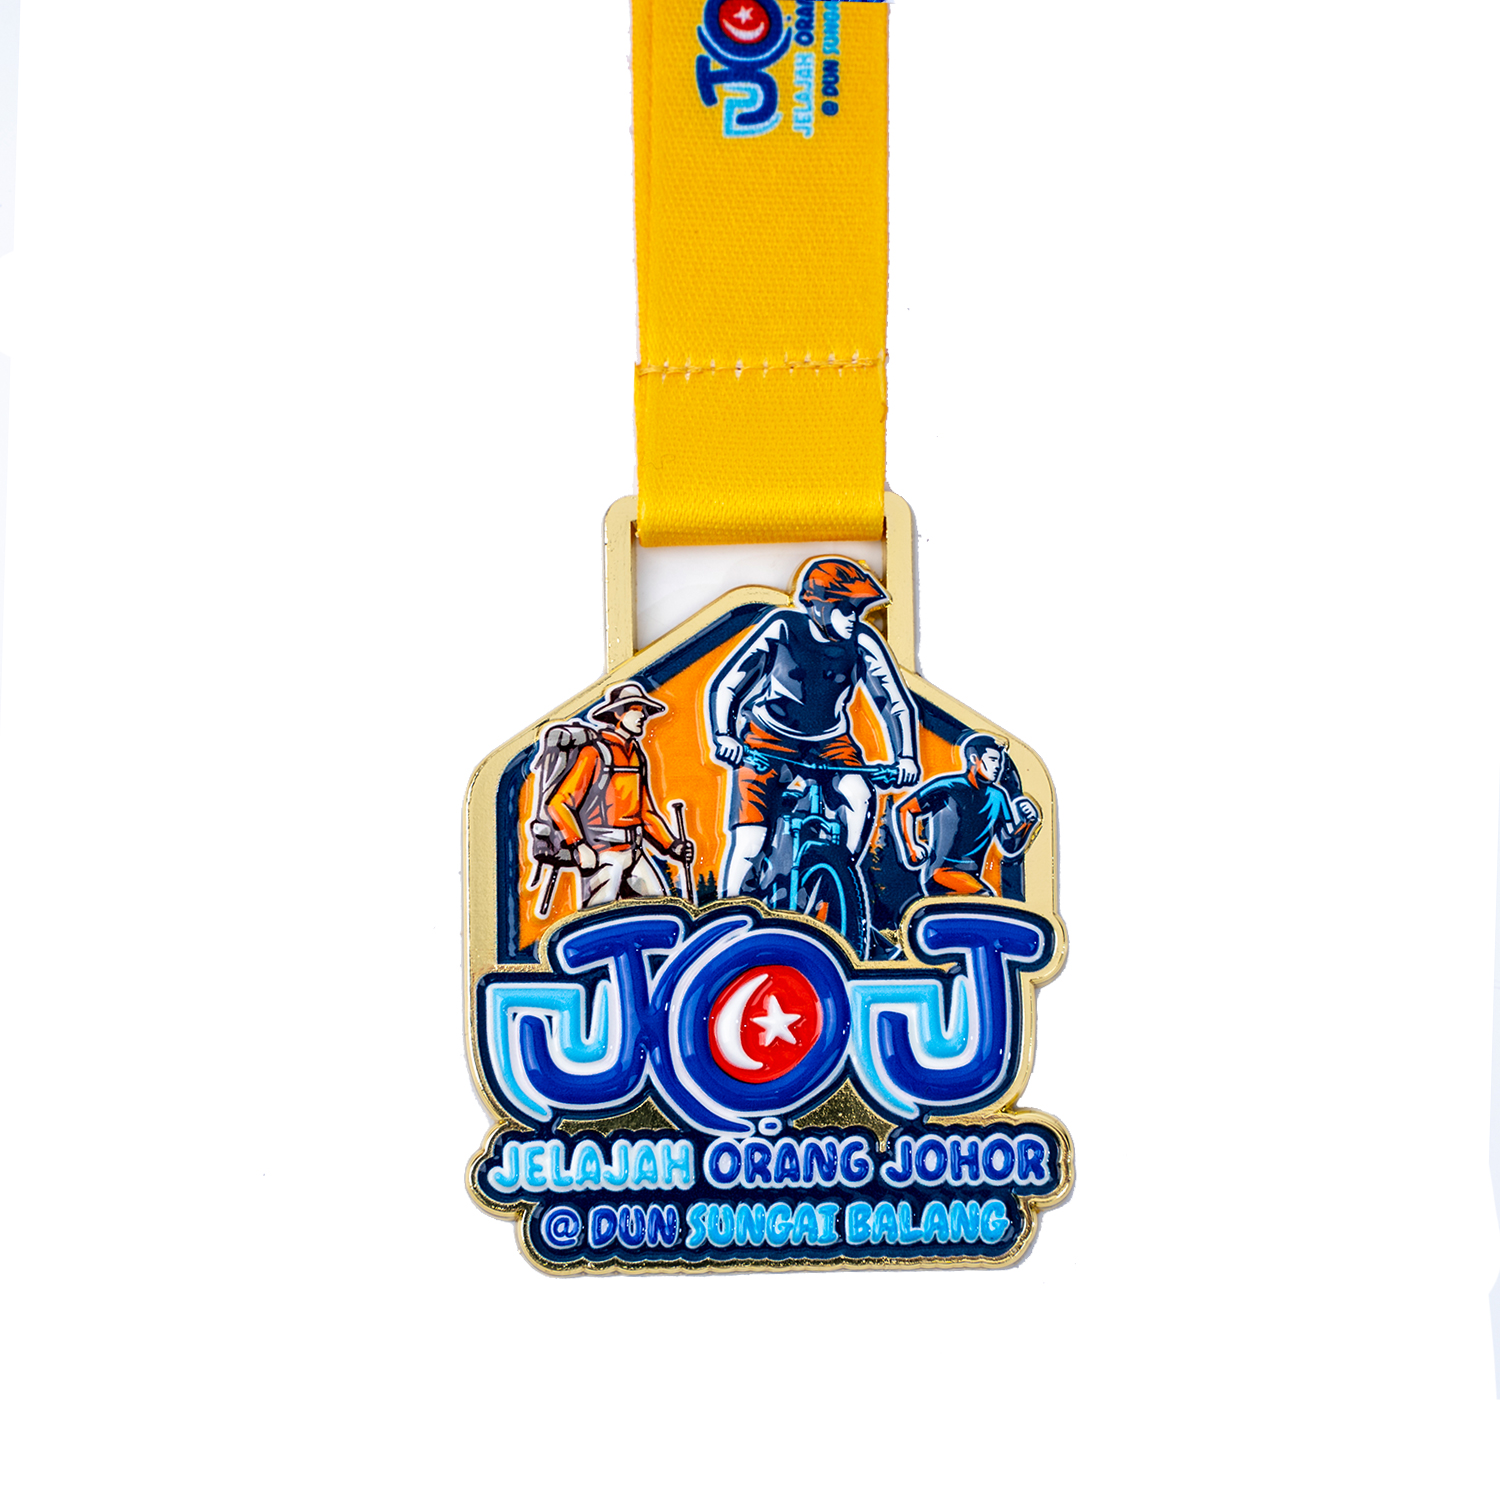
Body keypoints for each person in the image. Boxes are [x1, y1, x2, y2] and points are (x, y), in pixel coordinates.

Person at [707, 557, 920, 897]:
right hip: (766, 740)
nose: (854, 618)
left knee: (859, 796)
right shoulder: (782, 627)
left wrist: (906, 756)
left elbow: (893, 701)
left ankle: (836, 879)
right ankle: (728, 908)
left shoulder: (862, 641)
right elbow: (729, 684)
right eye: (846, 608)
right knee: (750, 842)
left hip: (830, 742)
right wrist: (723, 735)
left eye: (858, 610)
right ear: (818, 606)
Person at [544, 681, 694, 908]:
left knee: (661, 909)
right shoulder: (594, 753)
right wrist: (579, 845)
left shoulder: (636, 755)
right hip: (603, 854)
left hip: (634, 852)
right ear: (617, 714)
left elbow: (645, 813)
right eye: (636, 710)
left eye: (645, 711)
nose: (643, 716)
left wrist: (672, 846)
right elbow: (559, 802)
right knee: (599, 916)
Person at [894, 733, 1040, 897]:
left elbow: (1009, 847)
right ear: (974, 758)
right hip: (940, 875)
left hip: (972, 877)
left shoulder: (998, 797)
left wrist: (1027, 823)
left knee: (983, 901)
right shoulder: (948, 787)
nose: (998, 766)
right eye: (992, 760)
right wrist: (912, 846)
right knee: (985, 899)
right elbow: (906, 809)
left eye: (999, 761)